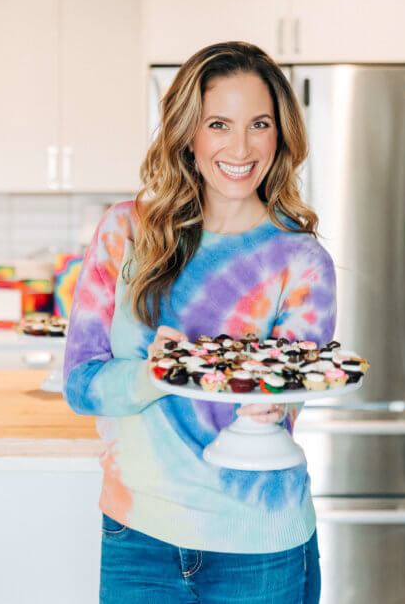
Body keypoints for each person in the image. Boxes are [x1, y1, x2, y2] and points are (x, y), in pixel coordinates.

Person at [63, 41, 336, 604]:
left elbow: (285, 401)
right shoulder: (126, 233)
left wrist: (275, 401)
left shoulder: (301, 261)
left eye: (259, 124)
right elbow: (81, 384)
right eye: (219, 124)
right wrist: (153, 373)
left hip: (257, 543)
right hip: (137, 535)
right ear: (190, 133)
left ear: (279, 135)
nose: (240, 146)